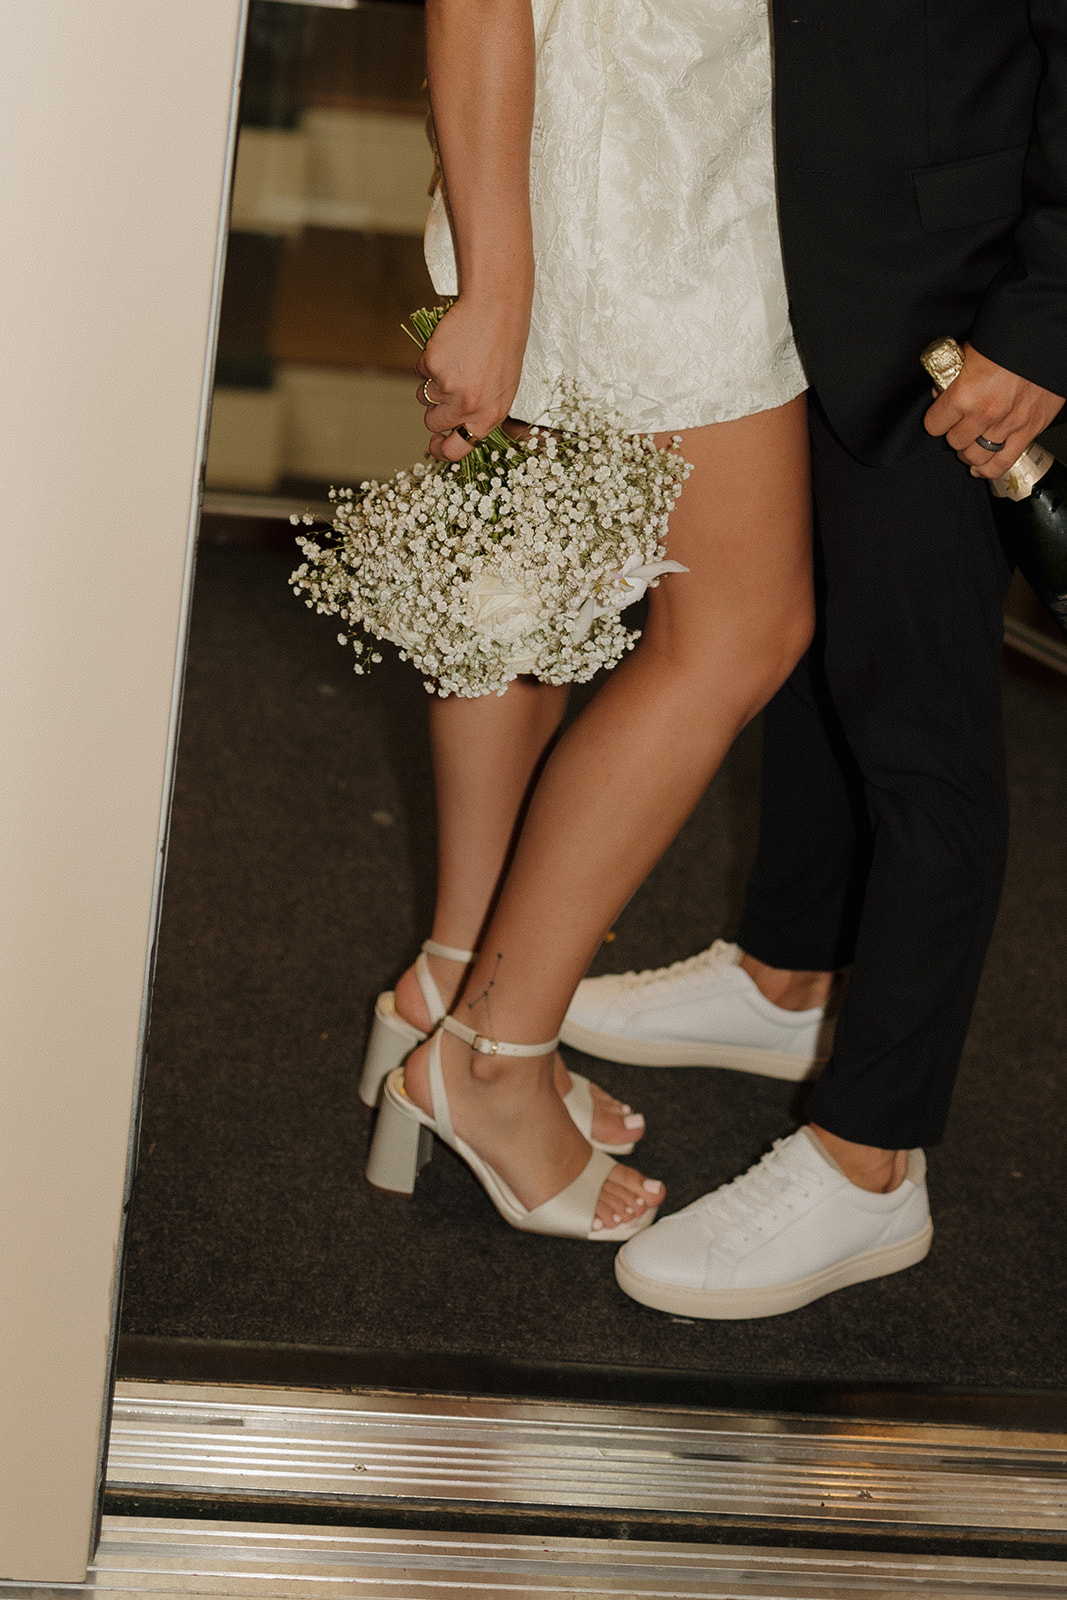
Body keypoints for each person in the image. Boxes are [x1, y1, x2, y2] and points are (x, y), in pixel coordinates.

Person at [566, 1, 1067, 1311]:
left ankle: (867, 1163)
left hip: (962, 297)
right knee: (816, 646)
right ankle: (783, 971)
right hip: (786, 259)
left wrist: (1043, 312)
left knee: (919, 724)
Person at [360, 0, 812, 1240]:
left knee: (537, 597)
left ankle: (454, 983)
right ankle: (490, 1057)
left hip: (630, 132)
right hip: (644, 173)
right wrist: (501, 283)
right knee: (736, 632)